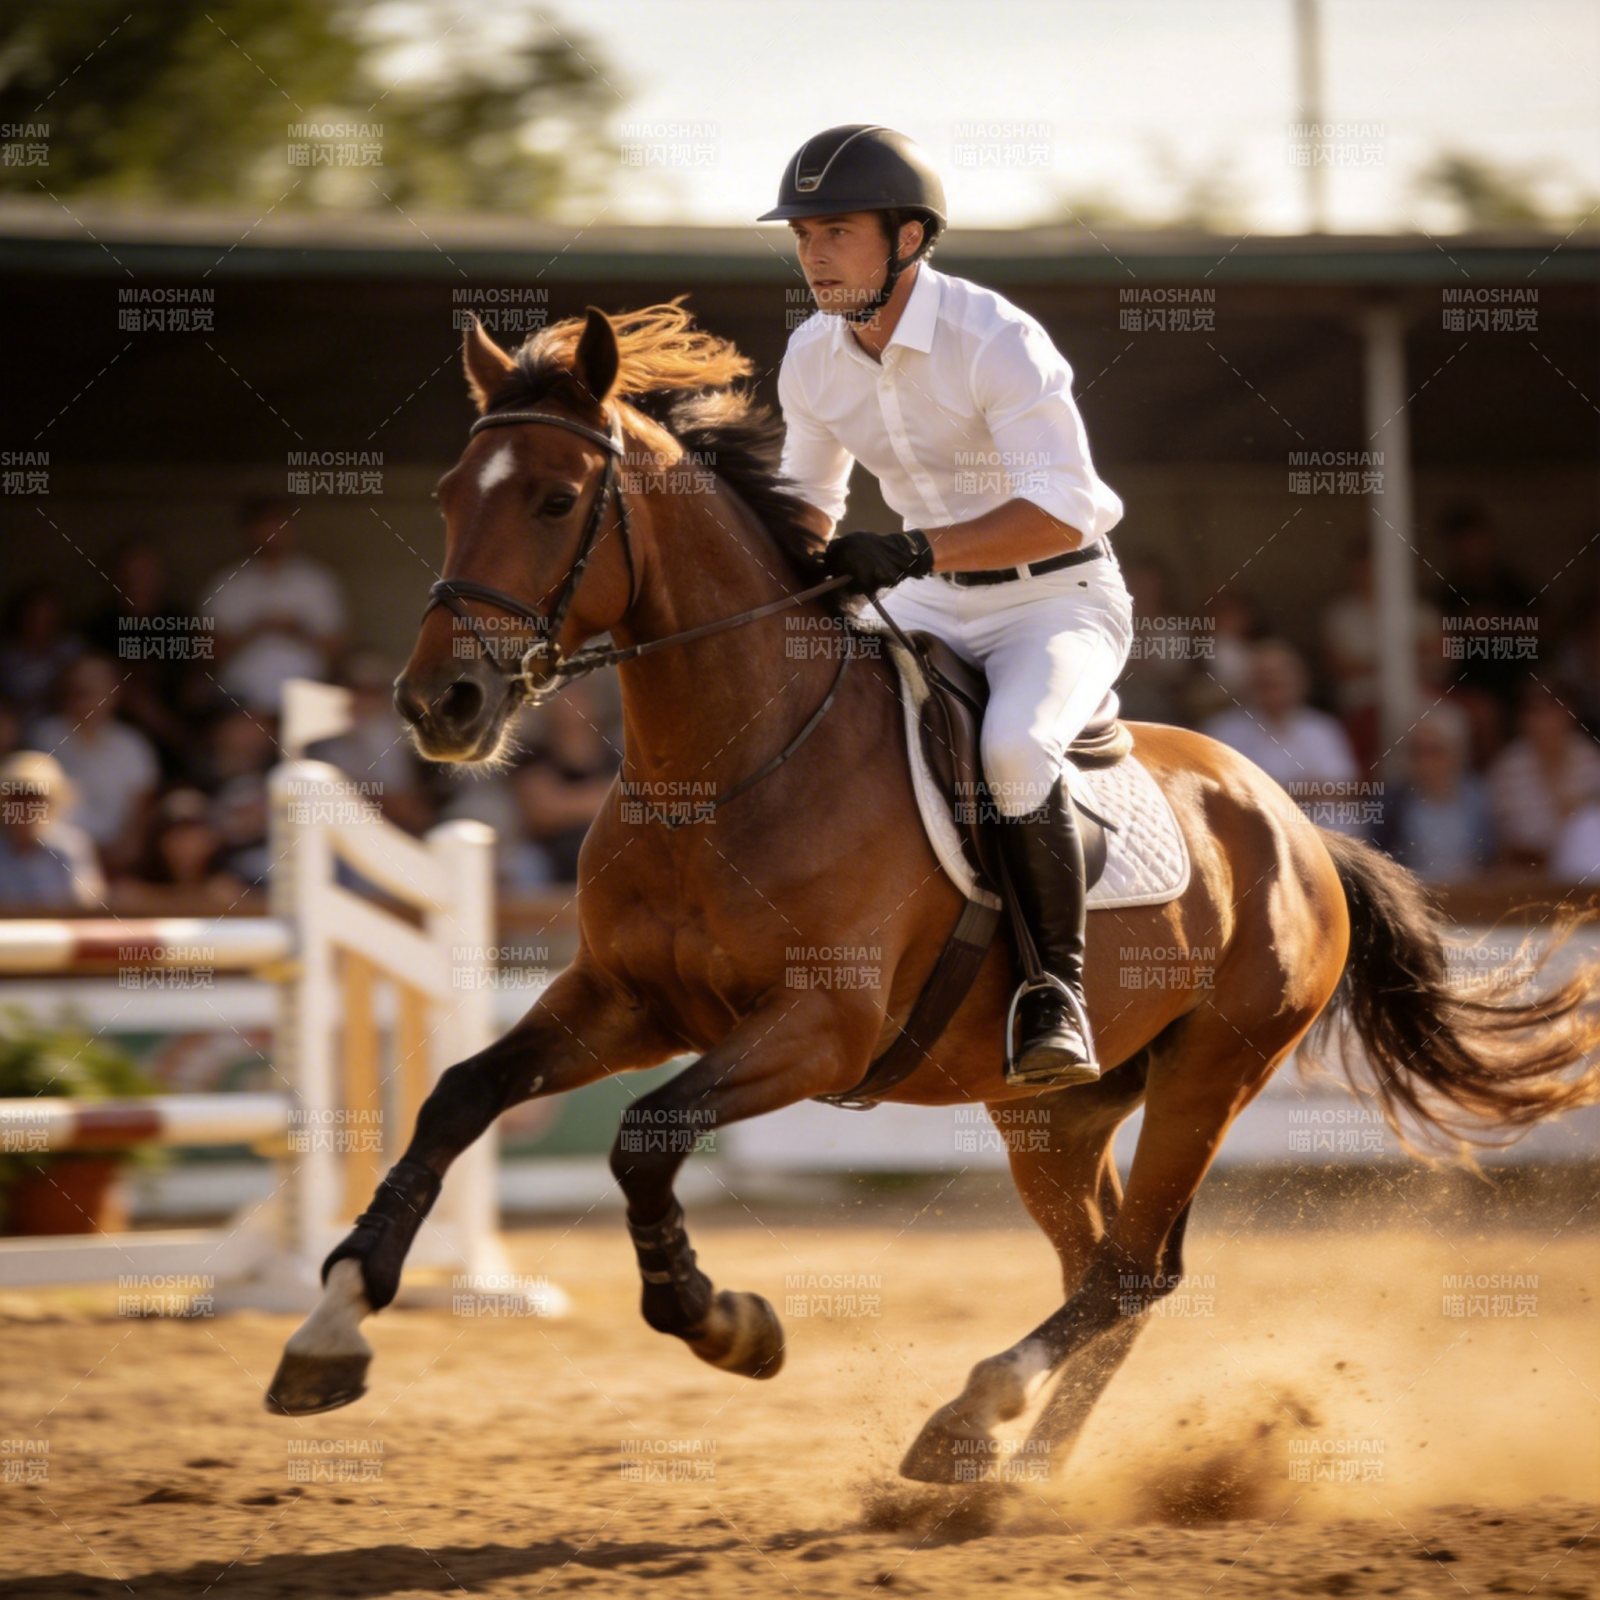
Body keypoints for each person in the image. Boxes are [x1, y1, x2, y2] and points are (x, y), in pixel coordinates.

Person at [764, 125, 1131, 1085]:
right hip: (925, 597)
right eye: (802, 236)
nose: (812, 255)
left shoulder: (993, 335)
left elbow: (1063, 507)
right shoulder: (810, 354)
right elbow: (808, 501)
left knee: (1012, 749)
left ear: (909, 238)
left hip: (1056, 598)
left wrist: (914, 548)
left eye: (836, 232)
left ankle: (1055, 994)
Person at [202, 494, 347, 716]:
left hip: (306, 699)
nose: (272, 533)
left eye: (279, 525)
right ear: (248, 531)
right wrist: (257, 628)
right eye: (264, 525)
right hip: (240, 701)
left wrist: (298, 630)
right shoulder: (227, 583)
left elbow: (337, 648)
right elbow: (207, 652)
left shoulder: (318, 581)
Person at [1203, 640, 1362, 833]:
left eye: (1280, 682)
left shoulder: (1322, 728)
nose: (1274, 691)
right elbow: (1217, 792)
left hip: (1327, 835)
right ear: (1249, 684)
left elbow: (1347, 787)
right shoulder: (1223, 731)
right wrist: (1303, 790)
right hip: (1255, 836)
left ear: (1300, 683)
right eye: (1265, 683)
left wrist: (1276, 791)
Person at [1321, 537, 1444, 774]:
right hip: (1364, 701)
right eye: (1364, 568)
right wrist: (1398, 658)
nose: (1372, 575)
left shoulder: (1419, 609)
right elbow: (1338, 666)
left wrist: (1378, 662)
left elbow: (1443, 653)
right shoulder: (1341, 615)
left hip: (1423, 695)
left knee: (1462, 718)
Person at [31, 655, 160, 875]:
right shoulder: (43, 738)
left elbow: (143, 807)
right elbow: (30, 800)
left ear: (115, 693)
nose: (86, 693)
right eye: (80, 686)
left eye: (96, 686)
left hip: (119, 861)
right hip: (53, 858)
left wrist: (122, 851)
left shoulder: (133, 745)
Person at [1487, 680, 1600, 869]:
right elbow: (1500, 837)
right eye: (1536, 712)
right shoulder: (1507, 768)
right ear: (1523, 719)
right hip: (1526, 869)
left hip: (1582, 869)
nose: (1544, 721)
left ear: (1569, 713)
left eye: (1552, 711)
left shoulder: (1590, 760)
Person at [1378, 703, 1494, 881]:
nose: (1424, 761)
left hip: (1470, 893)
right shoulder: (1391, 804)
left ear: (1457, 753)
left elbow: (1490, 861)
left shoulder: (1480, 799)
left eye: (1434, 751)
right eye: (1417, 751)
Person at [0, 751, 105, 908]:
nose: (26, 807)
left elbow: (88, 906)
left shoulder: (72, 847)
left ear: (52, 803)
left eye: (36, 798)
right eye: (18, 797)